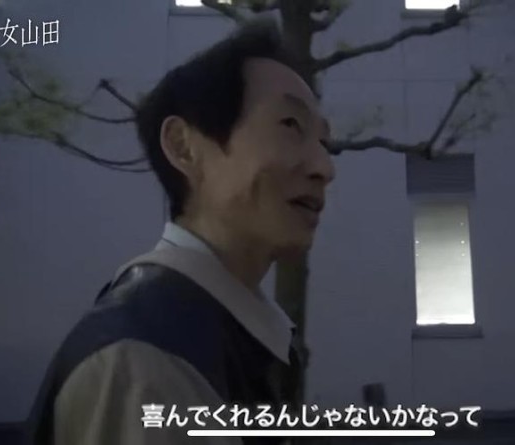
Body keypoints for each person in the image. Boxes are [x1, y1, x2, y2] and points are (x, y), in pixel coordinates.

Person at [26, 19, 336, 445]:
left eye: (325, 143)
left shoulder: (222, 335)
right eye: (290, 125)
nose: (324, 168)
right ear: (184, 147)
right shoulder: (142, 362)